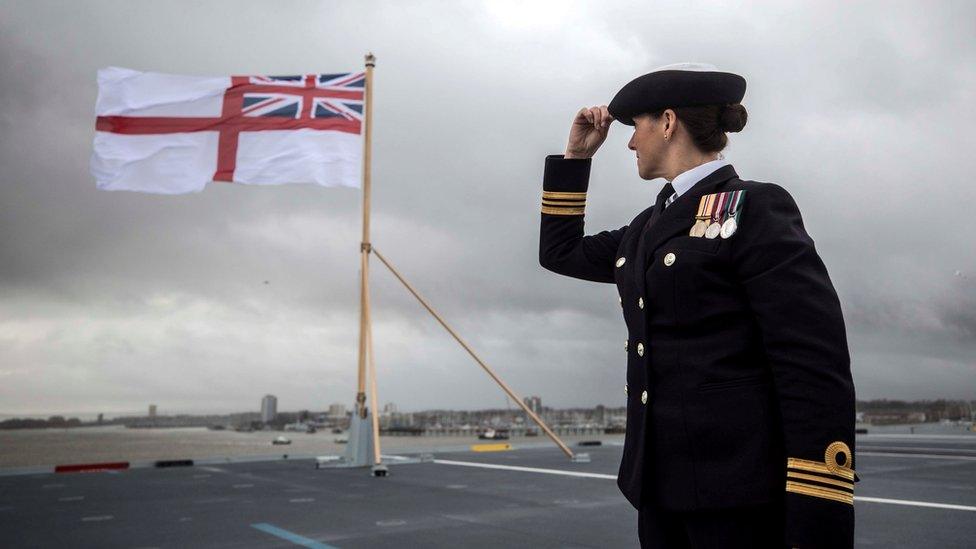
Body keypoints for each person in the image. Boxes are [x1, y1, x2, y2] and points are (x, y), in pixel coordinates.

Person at [537, 62, 859, 549]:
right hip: (661, 493)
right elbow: (560, 253)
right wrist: (576, 158)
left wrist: (817, 502)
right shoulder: (646, 228)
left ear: (667, 123)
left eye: (636, 129)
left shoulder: (755, 209)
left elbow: (810, 362)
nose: (628, 144)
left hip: (739, 498)